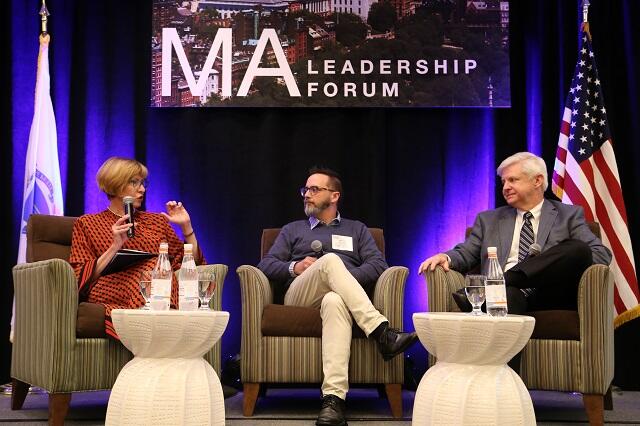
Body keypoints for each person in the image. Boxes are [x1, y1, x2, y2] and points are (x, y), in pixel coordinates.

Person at [258, 167, 418, 426]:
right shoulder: (292, 229)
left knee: (335, 298)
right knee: (331, 260)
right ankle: (381, 332)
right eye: (305, 190)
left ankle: (333, 401)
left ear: (334, 196)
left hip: (340, 299)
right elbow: (265, 265)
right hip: (301, 294)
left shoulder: (357, 229)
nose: (307, 195)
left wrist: (342, 279)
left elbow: (378, 264)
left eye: (314, 189)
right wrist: (294, 267)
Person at [419, 151, 612, 316]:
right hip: (508, 295)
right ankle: (504, 359)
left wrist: (551, 265)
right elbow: (466, 252)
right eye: (503, 182)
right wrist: (445, 257)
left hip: (550, 293)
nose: (505, 187)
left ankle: (501, 280)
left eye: (513, 180)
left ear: (537, 180)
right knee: (504, 298)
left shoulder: (568, 215)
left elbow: (600, 254)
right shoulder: (488, 220)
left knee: (578, 249)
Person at [69, 157, 204, 338]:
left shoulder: (156, 221)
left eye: (142, 183)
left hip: (157, 285)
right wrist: (115, 246)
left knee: (156, 270)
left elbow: (191, 264)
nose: (142, 189)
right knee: (153, 270)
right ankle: (164, 338)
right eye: (134, 183)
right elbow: (79, 278)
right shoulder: (87, 223)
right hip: (111, 287)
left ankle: (153, 338)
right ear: (115, 185)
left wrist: (187, 228)